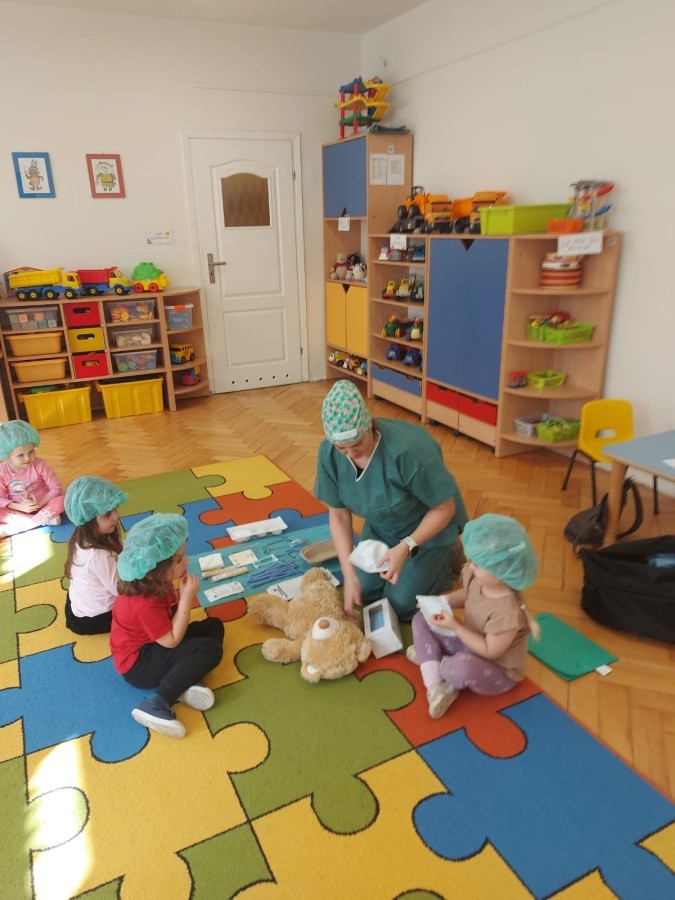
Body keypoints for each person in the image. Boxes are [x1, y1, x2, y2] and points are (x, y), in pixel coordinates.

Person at [314, 379, 468, 622]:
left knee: (400, 605)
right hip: (382, 527)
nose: (351, 454)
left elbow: (444, 507)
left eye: (357, 444)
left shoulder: (409, 449)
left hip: (428, 530)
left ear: (369, 426)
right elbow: (339, 514)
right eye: (342, 449)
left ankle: (447, 556)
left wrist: (406, 546)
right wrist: (348, 572)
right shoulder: (329, 453)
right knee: (362, 590)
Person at [408, 513, 540, 719]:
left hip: (496, 669)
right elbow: (467, 595)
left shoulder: (508, 613)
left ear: (501, 574)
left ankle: (433, 663)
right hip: (469, 643)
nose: (471, 566)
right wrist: (440, 602)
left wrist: (456, 628)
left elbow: (489, 651)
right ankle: (435, 684)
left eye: (478, 564)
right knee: (420, 618)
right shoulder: (477, 577)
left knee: (462, 667)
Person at [110, 513, 224, 739]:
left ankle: (184, 680)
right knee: (211, 649)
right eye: (179, 560)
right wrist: (186, 598)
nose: (187, 561)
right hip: (139, 665)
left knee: (213, 626)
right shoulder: (143, 603)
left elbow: (169, 621)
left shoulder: (155, 582)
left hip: (154, 644)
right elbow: (171, 640)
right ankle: (157, 702)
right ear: (154, 570)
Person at [63, 476, 129, 635]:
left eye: (115, 508)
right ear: (89, 521)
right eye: (107, 514)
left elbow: (123, 545)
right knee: (144, 604)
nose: (116, 516)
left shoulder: (81, 535)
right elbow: (121, 590)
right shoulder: (99, 556)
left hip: (75, 606)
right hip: (93, 619)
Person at [0, 420, 65, 537]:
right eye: (20, 455)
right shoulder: (2, 471)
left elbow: (56, 488)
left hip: (44, 504)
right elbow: (1, 498)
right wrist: (20, 507)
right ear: (6, 455)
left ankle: (21, 526)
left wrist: (39, 503)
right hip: (19, 509)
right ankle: (45, 520)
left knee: (63, 500)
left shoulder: (40, 464)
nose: (27, 458)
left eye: (31, 452)